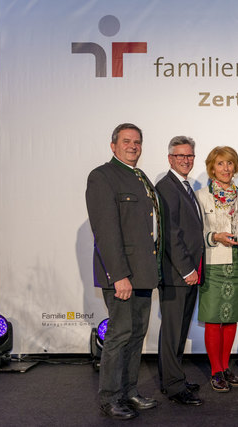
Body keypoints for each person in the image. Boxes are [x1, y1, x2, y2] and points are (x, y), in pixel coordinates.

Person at [85, 123, 160, 420]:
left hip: (143, 271)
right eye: (127, 141)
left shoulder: (139, 177)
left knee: (136, 334)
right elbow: (105, 231)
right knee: (120, 334)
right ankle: (110, 397)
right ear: (113, 145)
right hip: (122, 275)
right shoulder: (102, 176)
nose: (133, 146)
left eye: (137, 142)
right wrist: (118, 275)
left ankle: (129, 391)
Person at [195, 146, 238, 392]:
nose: (225, 168)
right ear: (212, 167)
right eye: (220, 164)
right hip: (213, 263)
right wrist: (214, 236)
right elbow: (195, 230)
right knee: (213, 319)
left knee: (231, 317)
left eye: (230, 164)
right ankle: (215, 371)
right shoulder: (201, 196)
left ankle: (225, 368)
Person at [156, 136, 205, 406]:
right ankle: (174, 387)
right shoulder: (166, 187)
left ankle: (171, 379)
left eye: (189, 156)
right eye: (180, 156)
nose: (186, 160)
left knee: (178, 330)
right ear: (170, 159)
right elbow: (171, 233)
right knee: (174, 331)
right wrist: (187, 270)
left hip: (188, 273)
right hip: (178, 274)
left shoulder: (184, 186)